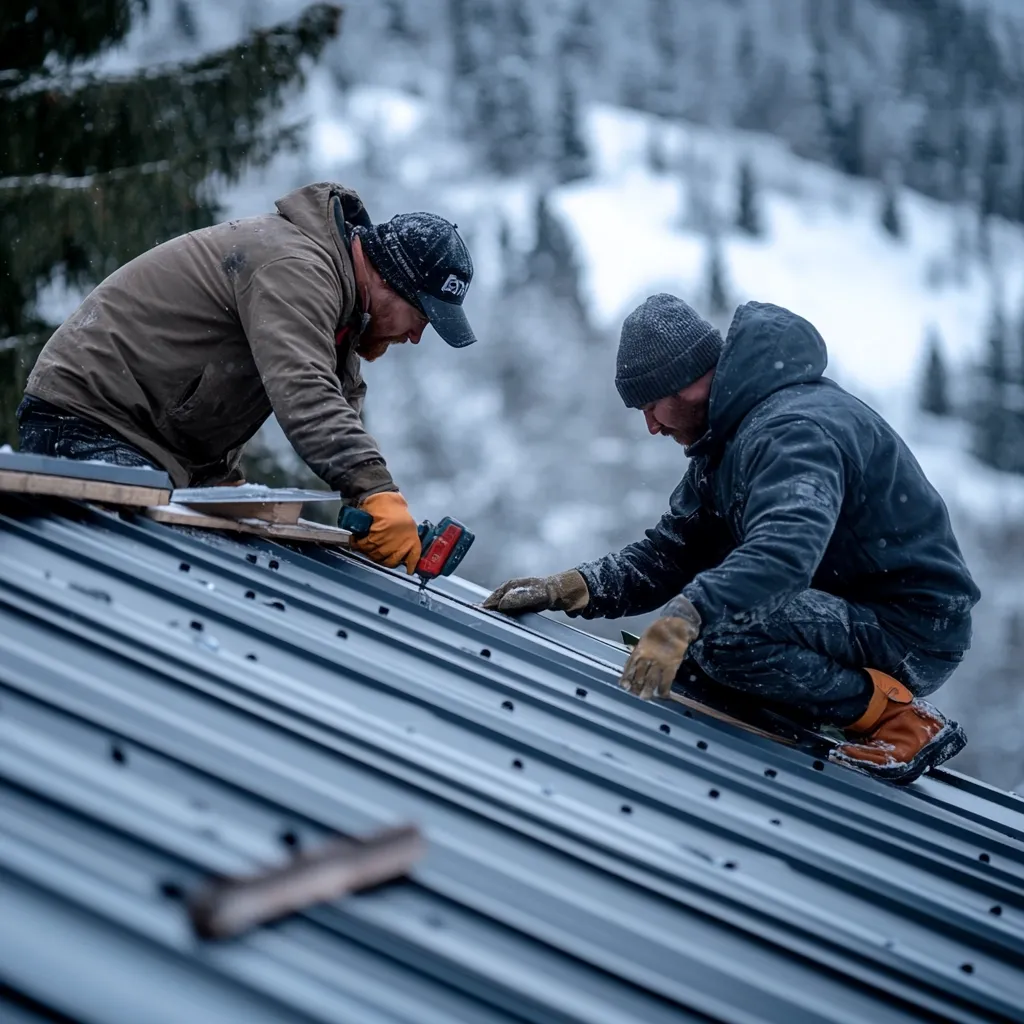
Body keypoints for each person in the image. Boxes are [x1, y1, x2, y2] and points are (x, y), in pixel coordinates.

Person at [485, 294, 980, 784]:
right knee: (709, 631)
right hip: (844, 609)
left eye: (651, 406)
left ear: (685, 385)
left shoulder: (792, 431)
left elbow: (785, 554)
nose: (651, 426)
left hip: (911, 629)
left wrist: (688, 617)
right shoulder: (727, 441)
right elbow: (672, 552)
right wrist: (573, 586)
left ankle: (900, 720)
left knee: (722, 633)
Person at [18, 181, 477, 574]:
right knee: (133, 582)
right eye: (420, 316)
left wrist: (369, 509)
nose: (416, 335)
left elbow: (339, 409)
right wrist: (375, 490)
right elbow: (305, 392)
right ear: (386, 278)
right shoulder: (297, 268)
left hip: (152, 442)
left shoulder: (339, 306)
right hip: (91, 419)